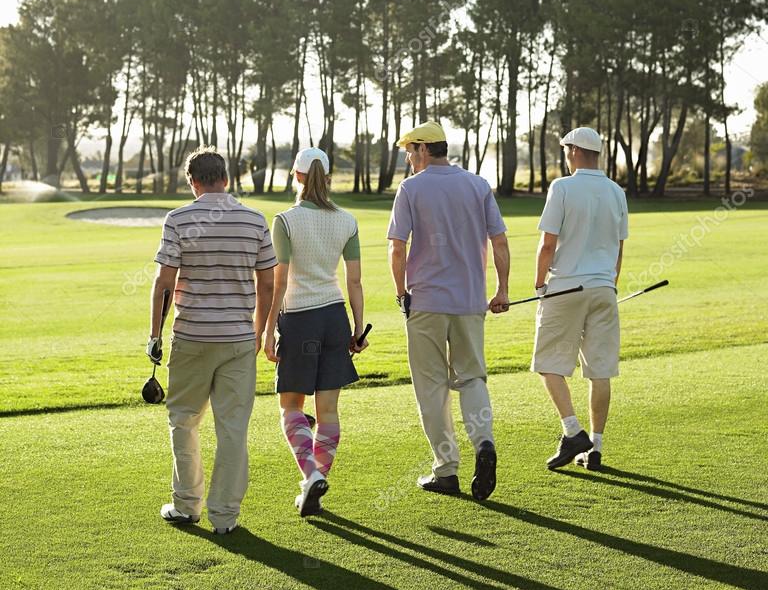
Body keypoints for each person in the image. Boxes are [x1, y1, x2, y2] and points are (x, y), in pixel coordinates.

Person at [147, 147, 275, 533]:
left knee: (184, 421)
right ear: (227, 178)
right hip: (238, 340)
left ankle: (187, 506)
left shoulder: (178, 219)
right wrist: (259, 331)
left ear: (193, 182)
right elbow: (268, 283)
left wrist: (154, 335)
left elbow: (164, 283)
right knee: (232, 429)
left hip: (191, 338)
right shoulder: (254, 220)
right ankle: (225, 518)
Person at [387, 121, 510, 501]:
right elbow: (500, 242)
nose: (408, 159)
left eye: (410, 151)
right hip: (471, 300)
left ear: (424, 149)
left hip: (426, 301)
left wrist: (400, 293)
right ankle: (484, 442)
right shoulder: (478, 185)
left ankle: (446, 471)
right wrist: (502, 289)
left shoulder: (411, 188)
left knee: (431, 387)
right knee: (472, 378)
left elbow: (396, 248)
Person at [263, 147, 368, 517]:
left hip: (300, 318)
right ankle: (316, 482)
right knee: (328, 412)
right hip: (335, 319)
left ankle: (310, 477)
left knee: (290, 406)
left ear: (297, 176)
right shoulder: (347, 220)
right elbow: (354, 281)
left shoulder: (285, 220)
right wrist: (357, 326)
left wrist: (267, 328)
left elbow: (279, 281)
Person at [531, 126, 628, 472]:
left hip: (565, 288)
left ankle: (573, 432)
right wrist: (609, 285)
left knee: (548, 364)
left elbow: (547, 244)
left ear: (573, 151)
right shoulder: (617, 192)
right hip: (604, 289)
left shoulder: (563, 187)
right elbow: (618, 249)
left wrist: (539, 284)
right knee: (599, 370)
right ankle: (596, 449)